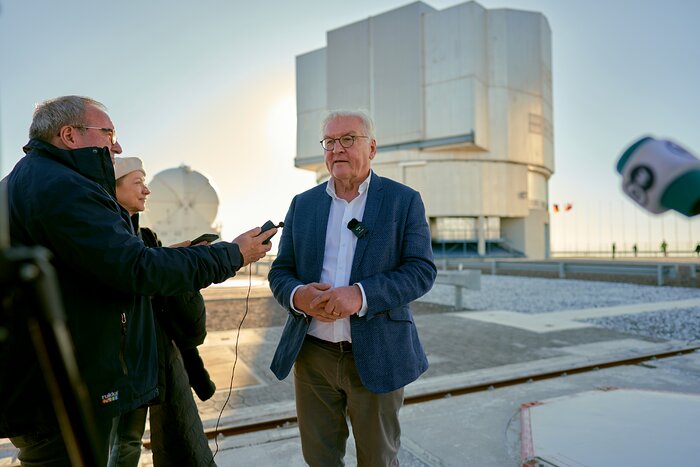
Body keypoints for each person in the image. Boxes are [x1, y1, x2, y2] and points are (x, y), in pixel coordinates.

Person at [0, 95, 276, 465]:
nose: (117, 145)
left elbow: (99, 264)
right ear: (69, 134)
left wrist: (174, 254)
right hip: (60, 391)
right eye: (109, 132)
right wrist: (233, 254)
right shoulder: (62, 187)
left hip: (44, 384)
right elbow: (136, 270)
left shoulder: (28, 179)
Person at [268, 110, 437, 466]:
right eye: (329, 142)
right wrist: (299, 297)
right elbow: (281, 272)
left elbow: (421, 271)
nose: (337, 149)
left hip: (377, 353)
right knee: (319, 459)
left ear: (372, 148)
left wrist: (359, 295)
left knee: (377, 458)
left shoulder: (403, 201)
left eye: (348, 139)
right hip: (313, 357)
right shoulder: (304, 204)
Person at [108, 156, 216, 466]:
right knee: (119, 441)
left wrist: (176, 259)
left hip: (141, 358)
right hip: (118, 361)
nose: (147, 190)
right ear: (113, 189)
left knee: (127, 439)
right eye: (138, 183)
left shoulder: (143, 238)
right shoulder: (110, 238)